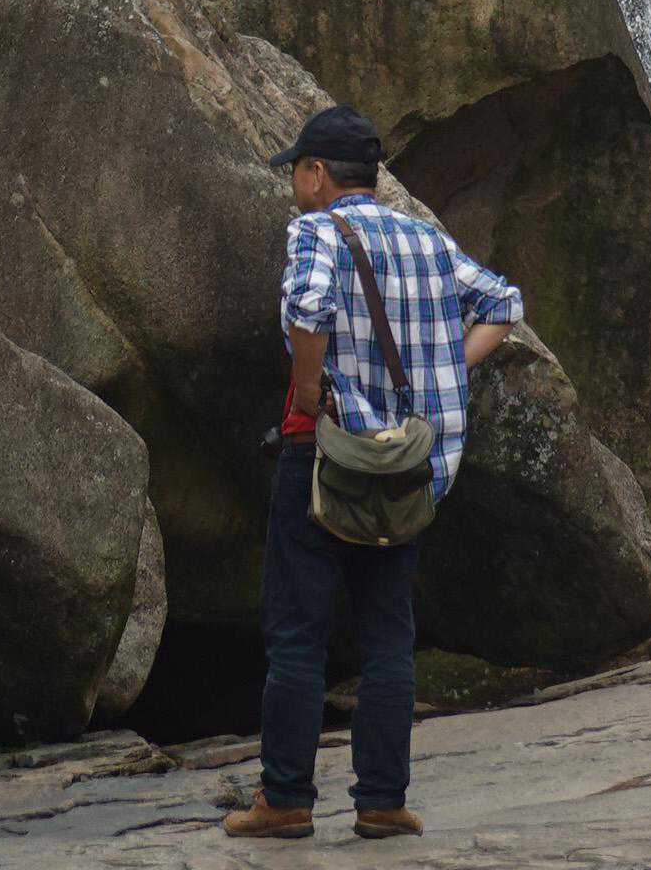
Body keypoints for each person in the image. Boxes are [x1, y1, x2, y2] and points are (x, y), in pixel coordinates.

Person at [224, 104, 524, 844]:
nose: (296, 186)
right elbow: (502, 303)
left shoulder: (317, 230)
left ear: (317, 173)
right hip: (405, 466)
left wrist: (308, 390)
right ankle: (382, 802)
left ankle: (286, 800)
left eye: (298, 171)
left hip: (326, 457)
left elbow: (307, 307)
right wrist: (445, 369)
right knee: (389, 637)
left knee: (299, 633)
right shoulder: (425, 238)